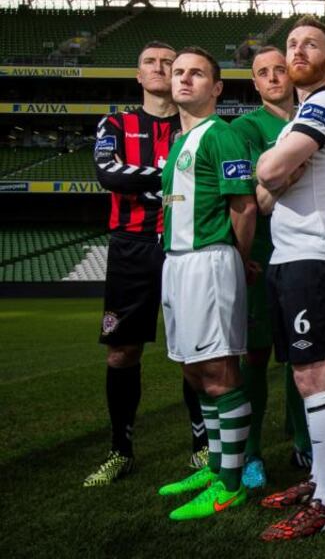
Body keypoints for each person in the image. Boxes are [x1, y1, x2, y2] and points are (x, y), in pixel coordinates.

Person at [85, 42, 212, 487]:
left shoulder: (199, 127)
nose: (160, 69)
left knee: (193, 352)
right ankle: (120, 451)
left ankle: (203, 447)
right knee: (122, 351)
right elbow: (109, 174)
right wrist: (173, 173)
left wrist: (155, 175)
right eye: (150, 63)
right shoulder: (116, 123)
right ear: (139, 76)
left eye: (168, 63)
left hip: (185, 244)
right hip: (131, 248)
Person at [255, 15, 325, 541]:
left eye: (310, 44)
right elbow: (264, 195)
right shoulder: (300, 117)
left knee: (317, 377)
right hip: (293, 256)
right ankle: (322, 479)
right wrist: (275, 168)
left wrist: (274, 165)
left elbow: (270, 176)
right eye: (292, 43)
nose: (297, 50)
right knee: (305, 377)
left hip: (314, 257)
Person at [155, 46, 257, 521]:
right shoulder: (180, 140)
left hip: (209, 261)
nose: (184, 80)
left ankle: (231, 485)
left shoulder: (222, 135)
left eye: (197, 74)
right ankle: (216, 467)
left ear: (216, 88)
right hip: (176, 264)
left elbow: (244, 205)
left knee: (217, 372)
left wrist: (236, 259)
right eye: (178, 73)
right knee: (193, 371)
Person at [229, 45, 294, 490]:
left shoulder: (318, 114)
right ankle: (251, 451)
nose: (273, 77)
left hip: (308, 252)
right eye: (262, 73)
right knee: (256, 352)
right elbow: (257, 196)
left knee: (303, 353)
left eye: (279, 69)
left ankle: (303, 441)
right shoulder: (246, 126)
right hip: (264, 254)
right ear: (254, 83)